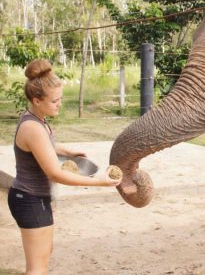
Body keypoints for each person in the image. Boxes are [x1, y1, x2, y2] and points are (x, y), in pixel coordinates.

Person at [7, 59, 121, 275]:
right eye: (54, 101)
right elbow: (55, 173)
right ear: (36, 100)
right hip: (29, 199)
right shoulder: (33, 127)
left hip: (32, 197)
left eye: (60, 99)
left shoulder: (35, 118)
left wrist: (67, 152)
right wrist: (98, 182)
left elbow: (42, 146)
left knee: (42, 258)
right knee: (37, 268)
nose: (59, 104)